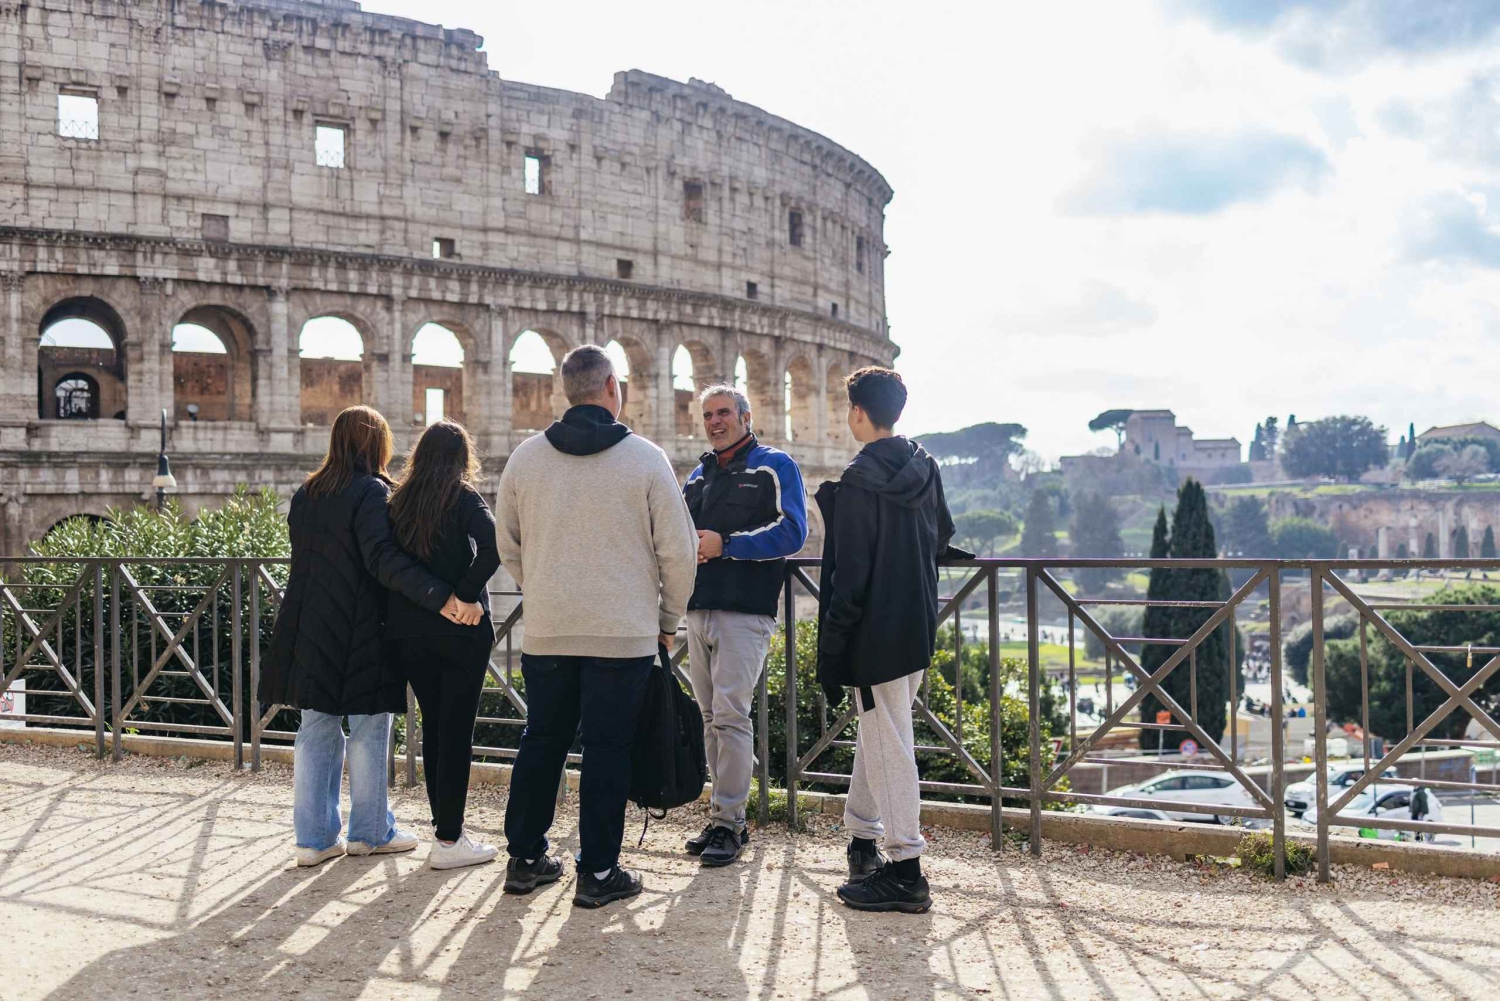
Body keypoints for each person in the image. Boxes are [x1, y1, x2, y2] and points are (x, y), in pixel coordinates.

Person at [496, 344, 697, 908]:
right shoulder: (647, 459)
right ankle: (599, 872)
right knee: (609, 750)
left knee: (543, 741)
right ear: (612, 388)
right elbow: (678, 553)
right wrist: (666, 619)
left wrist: (541, 584)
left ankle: (525, 858)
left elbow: (506, 543)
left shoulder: (525, 459)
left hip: (549, 627)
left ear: (567, 391)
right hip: (623, 631)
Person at [260, 406, 484, 868]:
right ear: (375, 445)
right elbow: (382, 558)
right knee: (368, 725)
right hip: (361, 625)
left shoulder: (307, 493)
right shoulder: (372, 492)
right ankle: (369, 831)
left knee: (316, 728)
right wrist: (440, 596)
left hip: (308, 624)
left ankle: (314, 838)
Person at [814, 367, 961, 914]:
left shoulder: (858, 482)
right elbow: (943, 534)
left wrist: (831, 647)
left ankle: (905, 870)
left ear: (857, 412)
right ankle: (861, 836)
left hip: (873, 634)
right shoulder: (925, 464)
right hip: (917, 621)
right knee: (884, 734)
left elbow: (849, 578)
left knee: (888, 743)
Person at [681, 385, 807, 866]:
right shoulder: (697, 476)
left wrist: (726, 543)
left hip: (745, 610)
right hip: (698, 607)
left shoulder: (775, 466)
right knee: (711, 717)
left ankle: (730, 823)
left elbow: (793, 531)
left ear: (746, 416)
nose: (715, 421)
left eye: (724, 413)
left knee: (731, 716)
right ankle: (720, 817)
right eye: (708, 415)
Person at [386, 420, 500, 870]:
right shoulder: (462, 495)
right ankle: (450, 840)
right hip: (460, 631)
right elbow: (494, 547)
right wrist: (467, 596)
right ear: (461, 457)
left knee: (434, 730)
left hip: (409, 632)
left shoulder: (397, 499)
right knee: (456, 734)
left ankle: (444, 831)